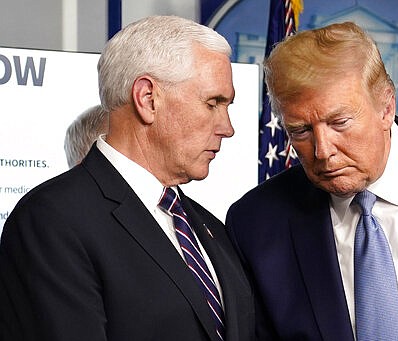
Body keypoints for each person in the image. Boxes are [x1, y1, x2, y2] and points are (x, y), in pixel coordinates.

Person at [225, 21, 398, 340]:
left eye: (340, 122)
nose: (323, 151)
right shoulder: (257, 224)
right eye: (301, 131)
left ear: (386, 107)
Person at [0, 15, 255, 341]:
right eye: (213, 103)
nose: (228, 128)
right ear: (148, 98)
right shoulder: (51, 220)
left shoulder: (209, 227)